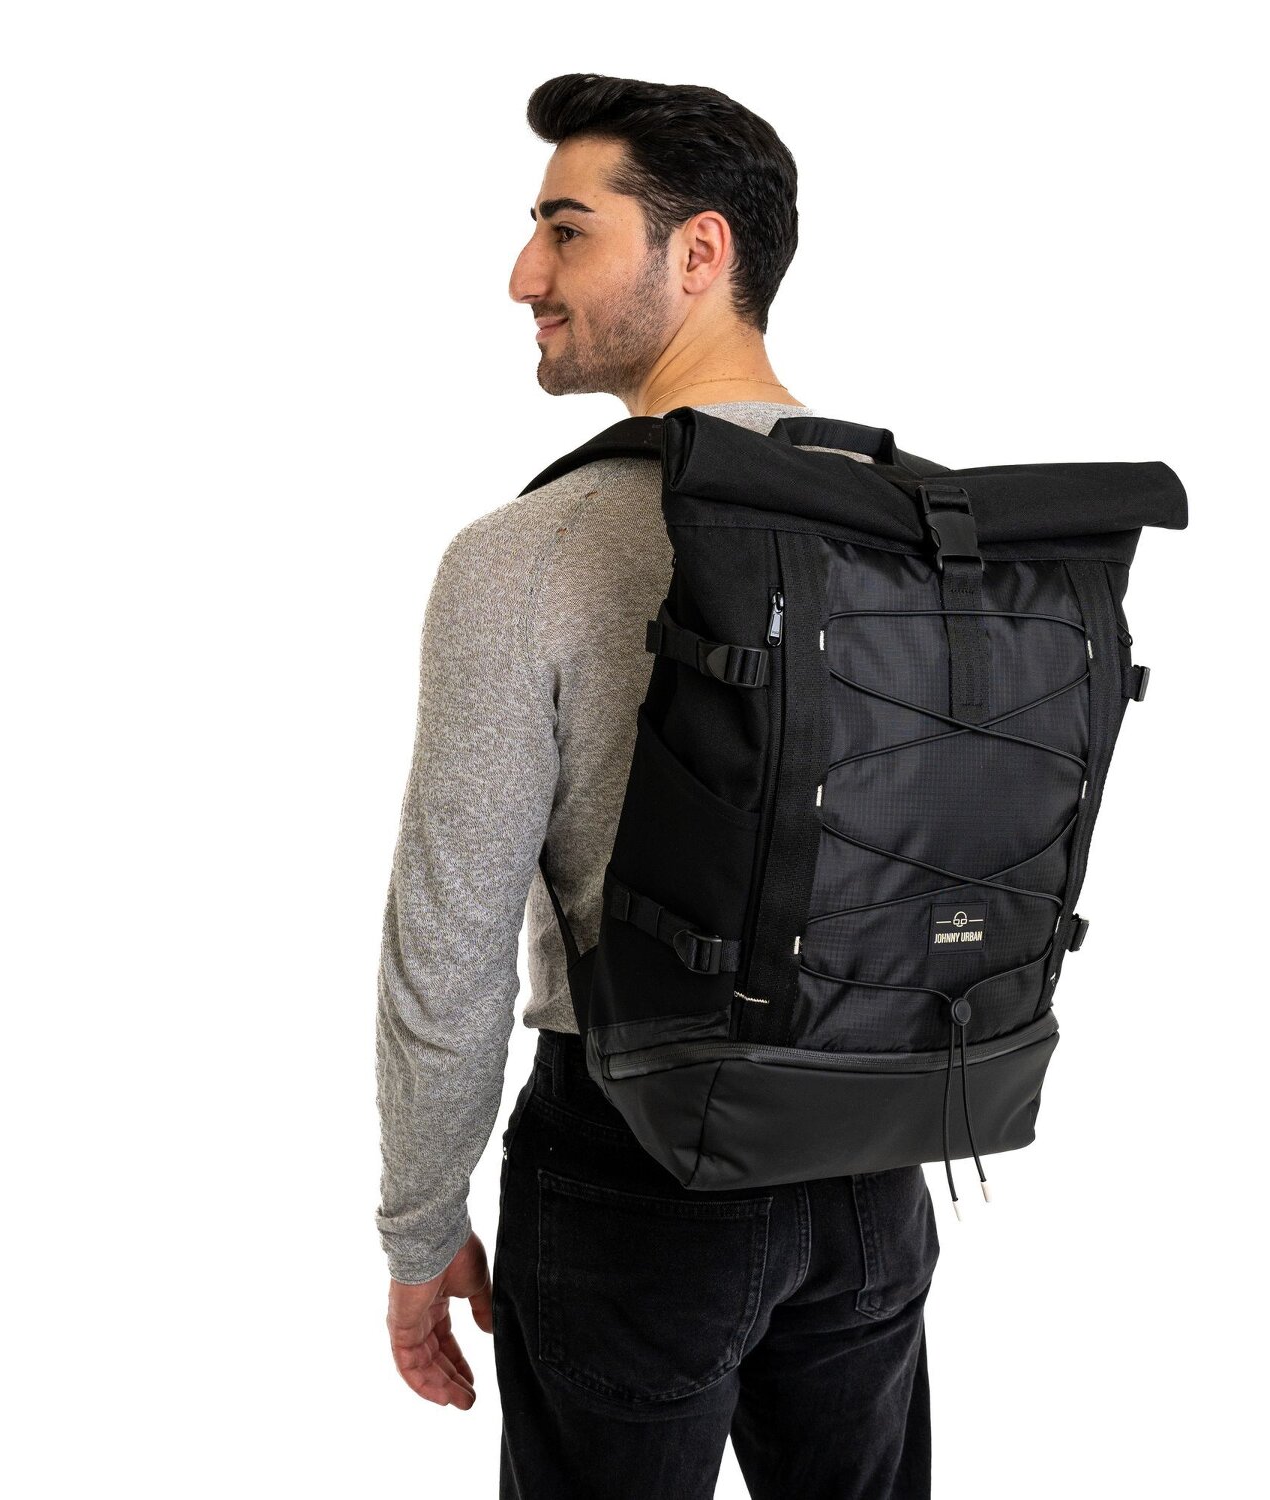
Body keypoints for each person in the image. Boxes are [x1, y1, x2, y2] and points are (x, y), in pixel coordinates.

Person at [375, 73, 940, 1499]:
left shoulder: (530, 554)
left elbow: (450, 942)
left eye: (567, 230)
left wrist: (419, 1227)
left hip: (634, 1171)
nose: (524, 276)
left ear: (700, 253)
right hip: (876, 1164)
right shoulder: (924, 525)